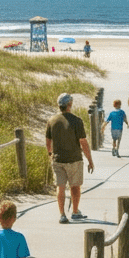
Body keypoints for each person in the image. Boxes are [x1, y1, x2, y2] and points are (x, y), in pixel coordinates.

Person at [45, 92, 94, 223]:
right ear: (69, 105)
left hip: (58, 159)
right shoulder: (77, 121)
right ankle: (75, 212)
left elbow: (48, 141)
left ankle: (62, 214)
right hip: (74, 159)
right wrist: (90, 160)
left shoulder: (52, 121)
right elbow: (83, 142)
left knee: (60, 187)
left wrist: (50, 154)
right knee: (75, 187)